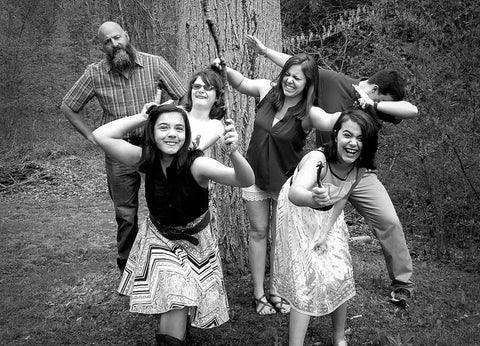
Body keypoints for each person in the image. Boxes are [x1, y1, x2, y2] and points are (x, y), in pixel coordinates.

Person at [246, 35, 417, 307]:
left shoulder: (377, 104)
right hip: (323, 170)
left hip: (361, 174)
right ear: (373, 87)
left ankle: (402, 283)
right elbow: (297, 67)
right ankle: (300, 282)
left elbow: (411, 110)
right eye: (380, 98)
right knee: (311, 229)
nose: (383, 106)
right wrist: (265, 51)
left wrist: (374, 105)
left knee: (389, 221)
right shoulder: (333, 81)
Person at [92, 103, 254, 346]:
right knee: (175, 291)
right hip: (159, 237)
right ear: (152, 132)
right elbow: (100, 135)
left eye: (179, 128)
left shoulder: (197, 164)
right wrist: (143, 116)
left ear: (186, 134)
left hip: (196, 240)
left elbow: (244, 179)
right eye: (163, 127)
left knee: (176, 295)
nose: (172, 134)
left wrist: (234, 153)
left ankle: (176, 333)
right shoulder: (145, 159)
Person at [214, 53, 336, 315]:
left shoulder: (308, 113)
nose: (290, 81)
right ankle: (259, 294)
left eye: (297, 78)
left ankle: (277, 290)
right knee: (258, 233)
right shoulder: (267, 91)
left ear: (308, 83)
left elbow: (330, 120)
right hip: (254, 176)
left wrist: (362, 109)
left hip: (285, 183)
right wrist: (225, 67)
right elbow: (241, 82)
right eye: (288, 75)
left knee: (280, 239)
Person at [60, 21, 186, 273]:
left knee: (164, 205)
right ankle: (129, 269)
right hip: (118, 152)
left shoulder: (155, 63)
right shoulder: (94, 74)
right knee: (126, 214)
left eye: (117, 37)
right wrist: (91, 137)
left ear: (126, 36)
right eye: (107, 41)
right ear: (102, 47)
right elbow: (68, 106)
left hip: (154, 149)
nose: (114, 44)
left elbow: (183, 95)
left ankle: (168, 263)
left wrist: (171, 126)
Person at [274, 109, 380, 346]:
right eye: (347, 135)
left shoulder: (361, 167)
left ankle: (339, 337)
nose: (353, 143)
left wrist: (325, 232)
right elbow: (296, 192)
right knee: (306, 276)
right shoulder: (317, 160)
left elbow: (343, 196)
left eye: (360, 138)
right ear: (335, 135)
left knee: (339, 270)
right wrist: (313, 199)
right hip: (298, 210)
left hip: (329, 213)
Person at [182, 67, 226, 154]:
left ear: (217, 97)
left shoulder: (216, 126)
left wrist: (194, 146)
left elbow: (198, 148)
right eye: (196, 86)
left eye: (208, 87)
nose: (201, 90)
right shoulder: (178, 113)